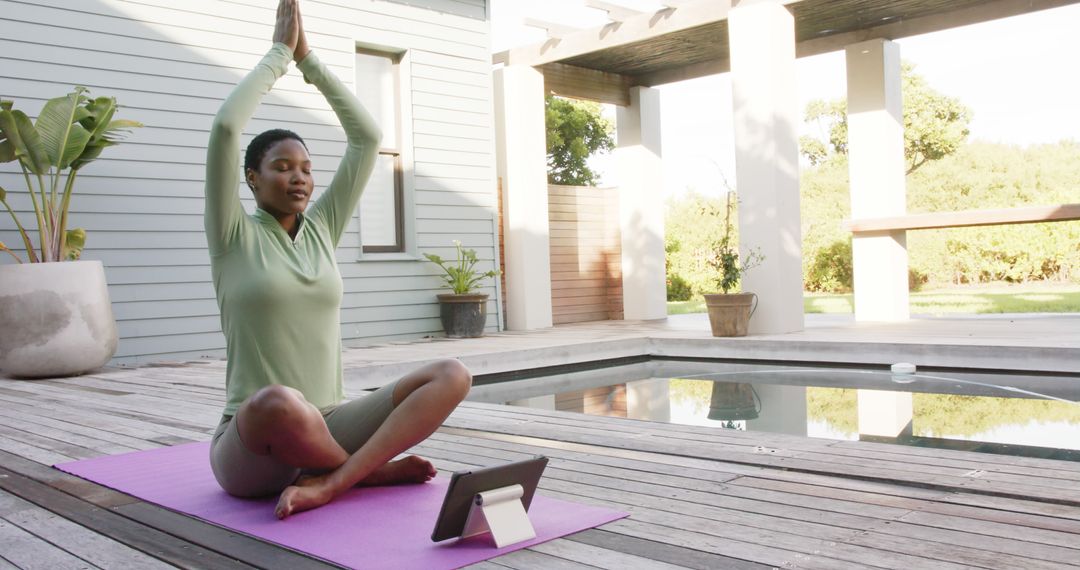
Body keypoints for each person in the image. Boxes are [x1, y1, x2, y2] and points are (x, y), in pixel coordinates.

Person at [204, 0, 471, 520]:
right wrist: (279, 54)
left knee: (452, 373)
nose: (300, 177)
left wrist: (311, 62)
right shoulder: (232, 234)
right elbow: (224, 130)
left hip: (328, 423)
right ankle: (367, 472)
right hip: (253, 444)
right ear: (253, 179)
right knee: (278, 400)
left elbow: (367, 138)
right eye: (282, 167)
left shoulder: (322, 228)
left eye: (306, 167)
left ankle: (338, 478)